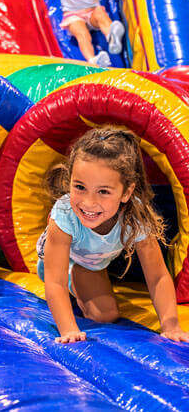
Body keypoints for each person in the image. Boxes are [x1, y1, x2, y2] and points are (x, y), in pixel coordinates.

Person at [36, 127, 189, 343]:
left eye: (103, 191)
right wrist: (68, 330)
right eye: (79, 187)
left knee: (106, 314)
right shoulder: (64, 215)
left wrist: (171, 326)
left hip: (93, 263)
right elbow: (55, 282)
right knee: (100, 312)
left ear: (126, 192)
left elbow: (157, 276)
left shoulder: (135, 216)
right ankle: (76, 281)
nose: (89, 202)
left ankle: (83, 281)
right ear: (70, 180)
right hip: (58, 263)